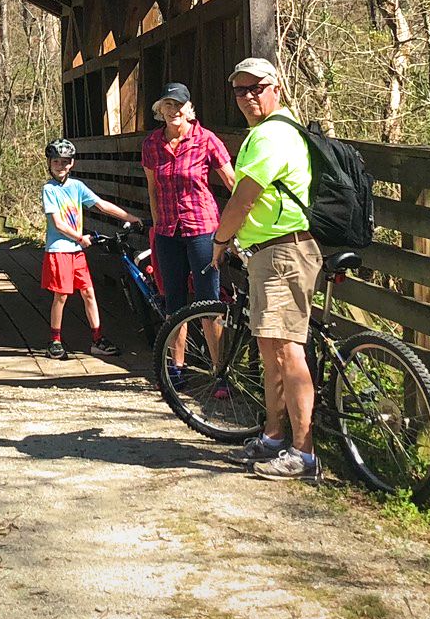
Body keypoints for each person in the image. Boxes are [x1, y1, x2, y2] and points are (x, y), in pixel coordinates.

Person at [210, 57, 324, 481]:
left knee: (287, 349)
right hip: (271, 251)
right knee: (270, 347)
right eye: (240, 90)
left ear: (276, 87)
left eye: (257, 87)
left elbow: (243, 199)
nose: (249, 96)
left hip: (283, 253)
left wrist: (220, 241)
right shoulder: (279, 129)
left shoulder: (271, 136)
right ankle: (275, 437)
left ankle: (304, 451)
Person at [139, 82, 236, 373]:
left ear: (189, 109)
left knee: (208, 302)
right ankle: (176, 368)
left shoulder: (206, 140)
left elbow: (233, 183)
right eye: (167, 105)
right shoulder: (152, 145)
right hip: (168, 232)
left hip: (203, 230)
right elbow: (153, 190)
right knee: (174, 303)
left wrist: (240, 226)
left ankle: (219, 370)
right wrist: (157, 228)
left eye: (179, 105)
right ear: (160, 111)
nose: (173, 111)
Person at [39, 138, 141, 360]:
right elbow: (57, 223)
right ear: (49, 162)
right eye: (56, 161)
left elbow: (101, 205)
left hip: (76, 251)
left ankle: (97, 339)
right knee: (62, 296)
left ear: (72, 163)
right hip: (59, 250)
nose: (61, 166)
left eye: (65, 162)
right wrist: (80, 237)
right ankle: (55, 341)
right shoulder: (49, 189)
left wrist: (131, 217)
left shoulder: (76, 186)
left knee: (89, 293)